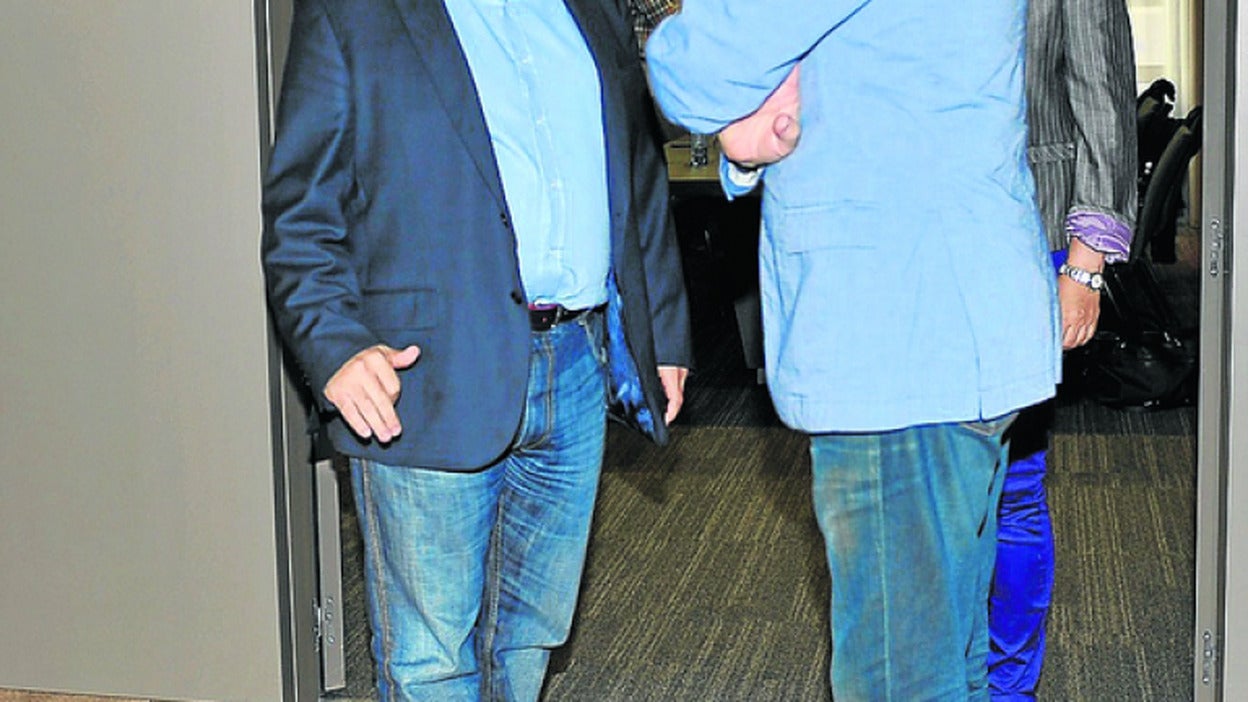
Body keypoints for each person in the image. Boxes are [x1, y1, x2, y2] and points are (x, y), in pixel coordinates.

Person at [261, 0, 692, 698]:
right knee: (432, 658)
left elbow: (636, 169)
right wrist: (335, 346)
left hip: (578, 365)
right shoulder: (355, 12)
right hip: (424, 375)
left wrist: (660, 329)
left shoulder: (593, 6)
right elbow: (300, 211)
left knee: (528, 637)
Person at [645, 1, 1061, 698]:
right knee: (948, 659)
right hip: (951, 327)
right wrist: (748, 134)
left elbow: (691, 65)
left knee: (900, 676)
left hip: (896, 335)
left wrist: (736, 104)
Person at [990, 0, 1138, 698]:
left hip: (1033, 234)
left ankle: (1009, 685)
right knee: (919, 485)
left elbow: (1104, 94)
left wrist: (1085, 265)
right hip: (912, 241)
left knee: (1014, 483)